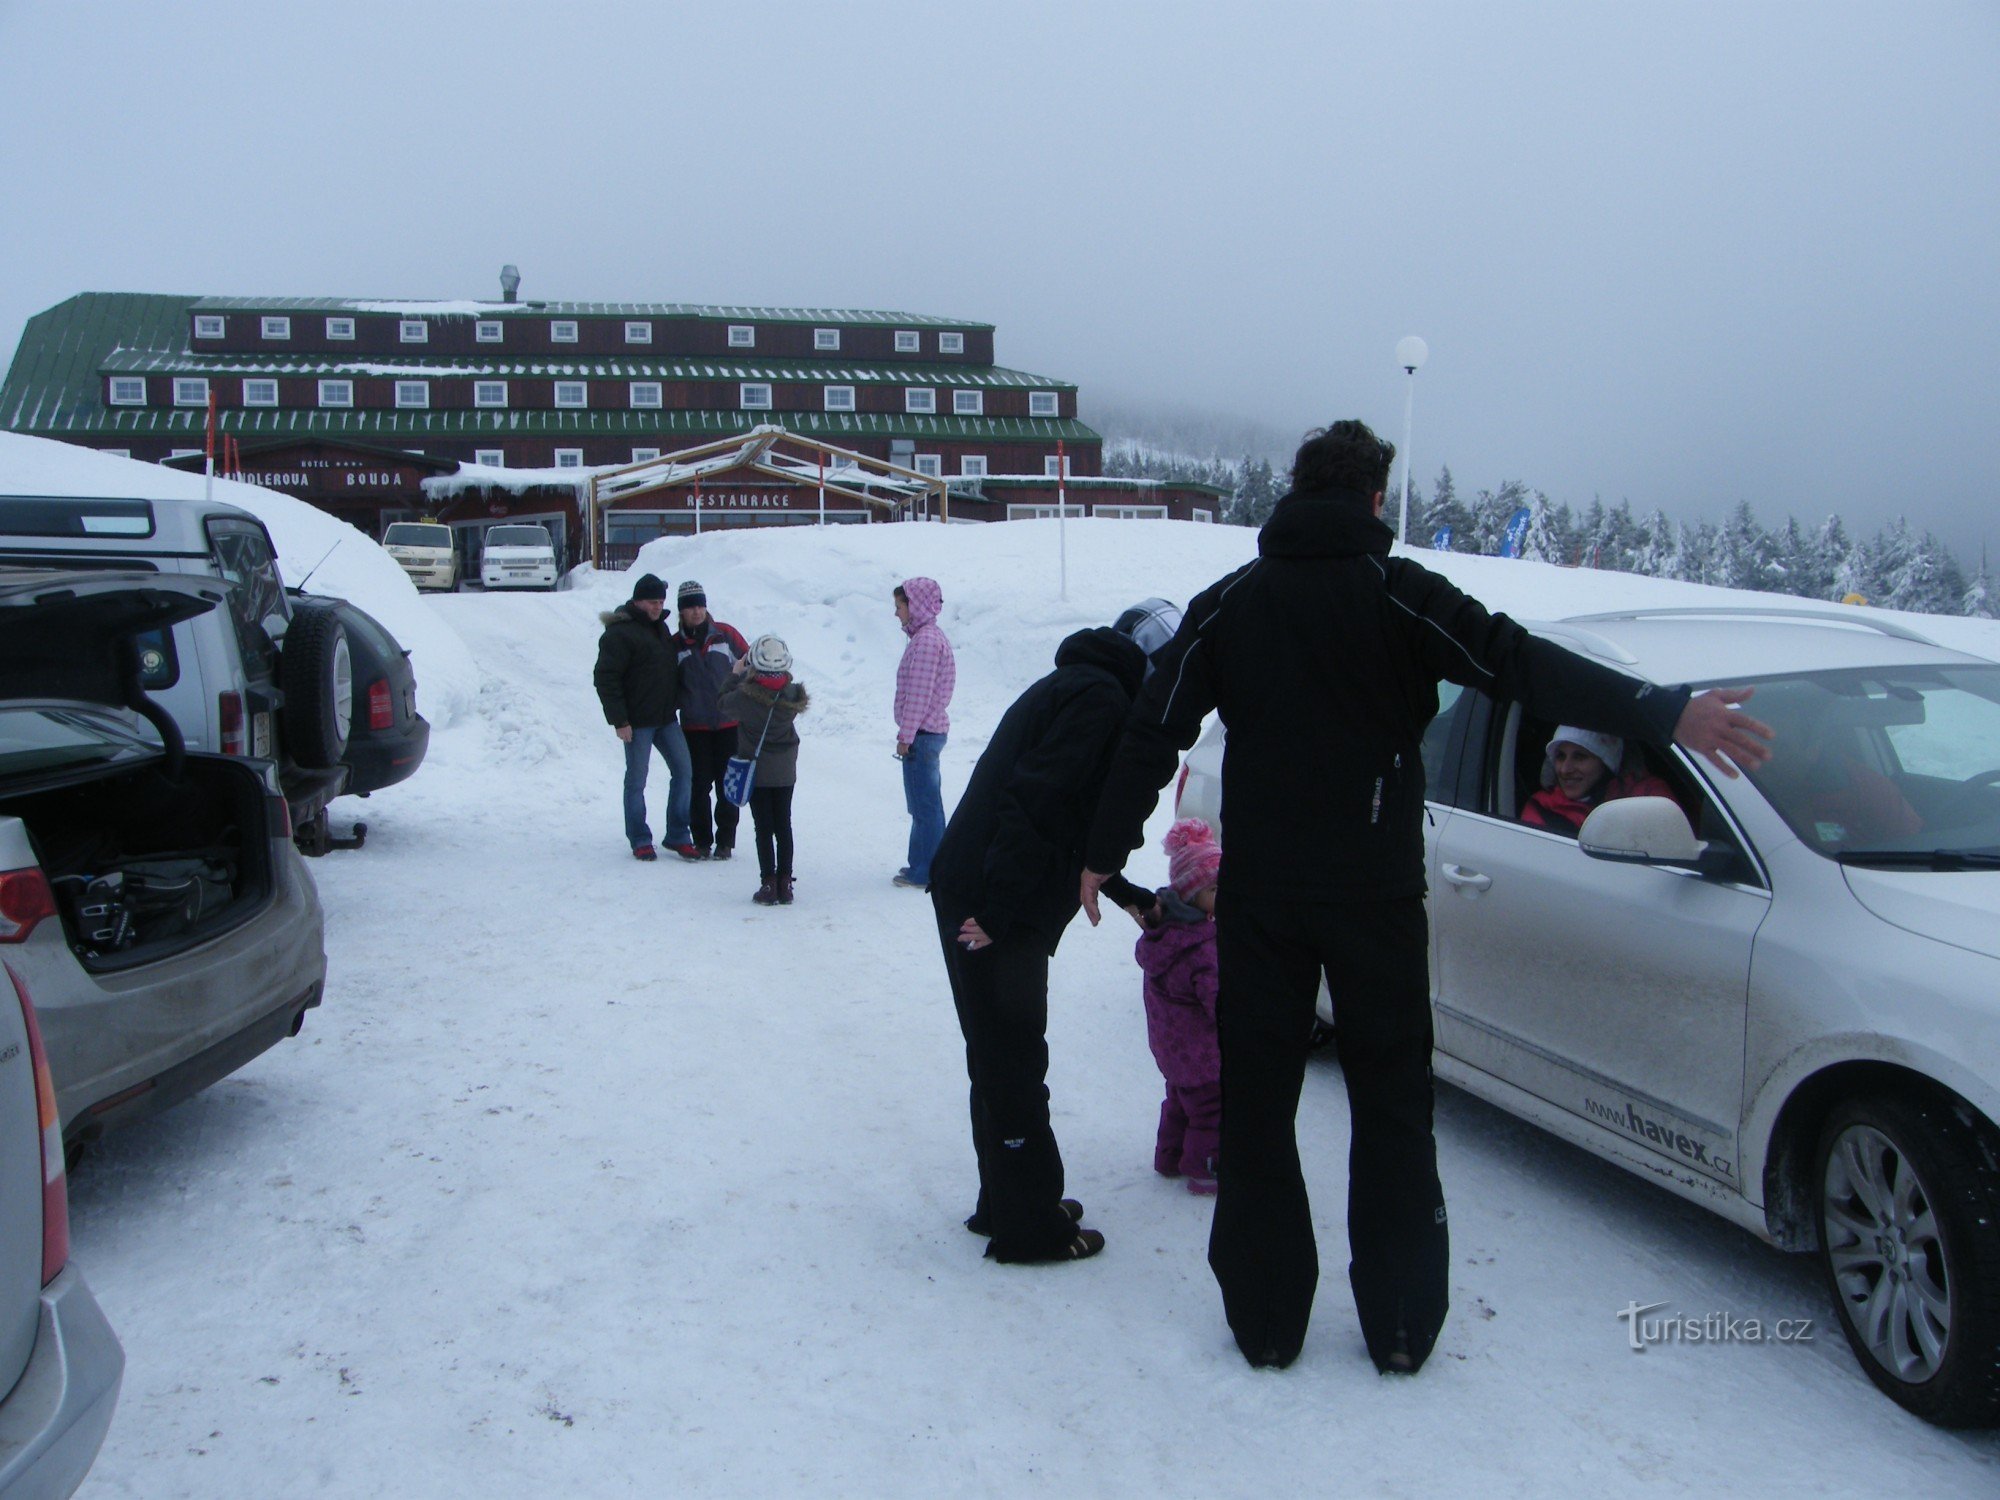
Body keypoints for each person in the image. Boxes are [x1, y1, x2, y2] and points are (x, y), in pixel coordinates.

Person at [1078, 418, 1775, 1375]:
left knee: (1259, 1108)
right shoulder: (1402, 595)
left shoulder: (1229, 603)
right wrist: (1660, 711)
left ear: (1296, 492)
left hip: (1267, 905)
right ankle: (1402, 1328)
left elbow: (1154, 726)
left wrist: (1099, 849)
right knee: (1393, 1106)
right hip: (1375, 902)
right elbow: (1521, 665)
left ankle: (1268, 1324)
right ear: (1374, 499)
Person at [930, 620, 1160, 1265]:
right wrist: (999, 911)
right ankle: (1030, 1227)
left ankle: (1005, 1200)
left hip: (988, 884)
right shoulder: (1100, 698)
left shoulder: (1079, 686)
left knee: (998, 1052)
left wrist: (1127, 894)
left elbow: (1070, 816)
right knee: (1012, 1057)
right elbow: (1035, 800)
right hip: (995, 896)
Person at [1136, 818, 1223, 1196]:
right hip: (1203, 1054)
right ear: (1191, 895)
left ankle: (1168, 1157)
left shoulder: (1165, 933)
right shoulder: (1203, 946)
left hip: (1172, 1049)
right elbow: (1218, 1001)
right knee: (1210, 1111)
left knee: (1178, 1100)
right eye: (1216, 888)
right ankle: (1204, 1170)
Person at [591, 572, 691, 862]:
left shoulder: (659, 629)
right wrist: (620, 721)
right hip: (637, 723)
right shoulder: (619, 633)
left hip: (666, 719)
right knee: (637, 780)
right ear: (637, 601)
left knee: (684, 772)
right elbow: (605, 679)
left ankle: (678, 834)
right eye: (651, 602)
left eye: (660, 601)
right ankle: (639, 838)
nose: (657, 607)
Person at [719, 634, 809, 906]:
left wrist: (735, 675)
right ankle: (785, 883)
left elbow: (723, 703)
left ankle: (768, 884)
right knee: (784, 824)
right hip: (785, 771)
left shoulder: (746, 698)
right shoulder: (792, 694)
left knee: (763, 827)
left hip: (757, 771)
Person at [673, 579, 750, 860]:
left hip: (729, 724)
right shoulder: (675, 645)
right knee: (699, 785)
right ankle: (702, 841)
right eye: (690, 607)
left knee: (728, 785)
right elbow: (670, 684)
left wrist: (746, 700)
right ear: (681, 611)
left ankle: (726, 841)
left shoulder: (726, 634)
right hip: (695, 727)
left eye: (700, 605)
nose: (696, 611)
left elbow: (752, 662)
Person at [893, 577, 955, 889]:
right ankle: (920, 864)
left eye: (900, 606)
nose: (897, 614)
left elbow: (919, 694)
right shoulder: (925, 639)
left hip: (923, 734)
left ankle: (928, 871)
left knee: (926, 805)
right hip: (925, 732)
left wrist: (906, 736)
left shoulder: (927, 642)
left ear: (915, 605)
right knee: (921, 804)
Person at [1519, 726, 1676, 834]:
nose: (1565, 769)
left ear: (1606, 762)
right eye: (1561, 756)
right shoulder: (1542, 808)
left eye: (1579, 757)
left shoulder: (1649, 798)